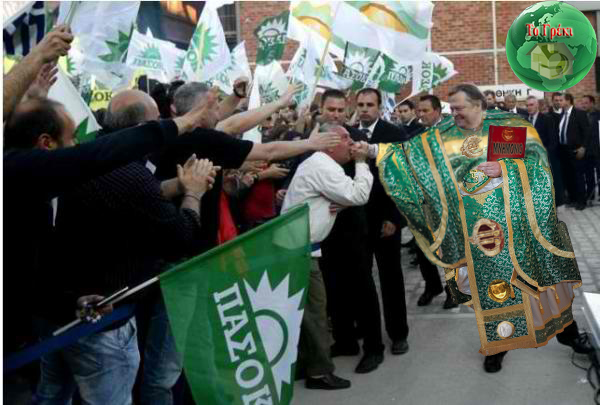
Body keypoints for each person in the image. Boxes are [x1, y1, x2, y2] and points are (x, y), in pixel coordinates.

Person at [373, 83, 584, 373]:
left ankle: (568, 333)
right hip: (481, 230)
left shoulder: (502, 127)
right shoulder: (446, 133)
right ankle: (500, 343)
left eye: (459, 108)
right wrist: (372, 150)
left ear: (478, 105)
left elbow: (535, 165)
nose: (454, 113)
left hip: (518, 221)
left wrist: (504, 169)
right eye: (451, 108)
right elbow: (411, 155)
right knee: (495, 288)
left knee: (543, 278)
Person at [35, 89, 218, 405]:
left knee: (52, 397)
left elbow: (131, 197)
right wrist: (193, 193)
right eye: (158, 122)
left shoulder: (90, 157)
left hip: (59, 312)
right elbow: (182, 237)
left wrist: (178, 185)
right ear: (144, 130)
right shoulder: (129, 172)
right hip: (101, 324)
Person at [281, 123, 373, 389]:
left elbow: (343, 197)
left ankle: (303, 363)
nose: (351, 143)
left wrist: (343, 201)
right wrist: (361, 163)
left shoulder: (321, 165)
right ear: (330, 144)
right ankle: (319, 372)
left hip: (299, 246)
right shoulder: (323, 166)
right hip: (300, 250)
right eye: (345, 138)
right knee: (315, 311)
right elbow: (358, 194)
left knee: (304, 312)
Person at [313, 89, 385, 374]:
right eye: (331, 109)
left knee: (362, 287)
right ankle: (345, 340)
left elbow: (373, 180)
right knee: (333, 287)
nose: (336, 115)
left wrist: (347, 202)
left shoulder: (355, 139)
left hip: (352, 225)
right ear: (321, 108)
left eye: (340, 110)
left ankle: (374, 347)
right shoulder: (310, 137)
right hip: (322, 228)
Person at [356, 88, 411, 356]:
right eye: (361, 104)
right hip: (358, 219)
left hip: (386, 219)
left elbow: (403, 178)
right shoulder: (350, 134)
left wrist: (394, 218)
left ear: (379, 107)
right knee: (362, 279)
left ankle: (398, 333)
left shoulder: (394, 134)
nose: (365, 109)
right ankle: (367, 331)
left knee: (391, 279)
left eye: (370, 104)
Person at [526, 95, 563, 206]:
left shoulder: (547, 119)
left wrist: (546, 154)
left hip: (546, 157)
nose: (529, 107)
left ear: (537, 105)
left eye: (531, 105)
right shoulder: (525, 120)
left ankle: (555, 203)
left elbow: (553, 139)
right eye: (527, 105)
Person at [558, 93, 590, 210]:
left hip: (576, 149)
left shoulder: (579, 113)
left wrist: (583, 147)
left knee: (578, 176)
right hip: (564, 149)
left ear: (568, 101)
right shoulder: (561, 114)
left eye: (561, 100)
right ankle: (573, 198)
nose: (559, 102)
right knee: (568, 175)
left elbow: (587, 132)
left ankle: (582, 201)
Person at [580, 95, 598, 201]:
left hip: (597, 149)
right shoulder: (580, 116)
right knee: (588, 174)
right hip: (586, 150)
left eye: (586, 103)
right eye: (582, 103)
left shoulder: (598, 115)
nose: (583, 105)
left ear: (592, 103)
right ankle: (591, 194)